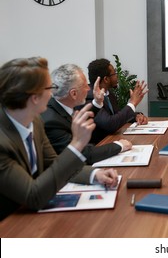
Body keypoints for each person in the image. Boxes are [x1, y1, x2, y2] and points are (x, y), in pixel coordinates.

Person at [0, 57, 118, 220]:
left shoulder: (35, 121)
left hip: (33, 215)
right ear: (34, 97)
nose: (53, 93)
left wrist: (94, 174)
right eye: (50, 87)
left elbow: (54, 164)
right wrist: (77, 144)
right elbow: (34, 196)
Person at [41, 64, 132, 165]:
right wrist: (119, 145)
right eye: (85, 85)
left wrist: (97, 103)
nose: (88, 89)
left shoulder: (60, 106)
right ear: (73, 94)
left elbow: (82, 120)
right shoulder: (52, 122)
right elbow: (82, 154)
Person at [86, 58, 148, 144]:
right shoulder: (90, 97)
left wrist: (135, 116)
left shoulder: (109, 94)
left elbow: (118, 115)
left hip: (113, 140)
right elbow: (110, 124)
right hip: (99, 146)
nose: (117, 76)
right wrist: (132, 103)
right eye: (114, 73)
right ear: (106, 79)